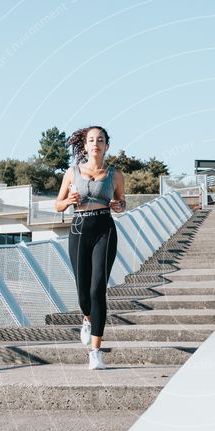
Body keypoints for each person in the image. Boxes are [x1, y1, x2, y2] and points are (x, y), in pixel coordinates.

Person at [55, 126, 126, 369]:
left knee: (97, 290)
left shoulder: (115, 175)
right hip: (78, 229)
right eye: (91, 140)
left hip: (104, 229)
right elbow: (58, 205)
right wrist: (68, 200)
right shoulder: (72, 172)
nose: (96, 143)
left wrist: (118, 205)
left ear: (107, 145)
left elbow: (121, 202)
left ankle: (96, 351)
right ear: (85, 146)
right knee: (83, 293)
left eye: (101, 140)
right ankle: (87, 318)